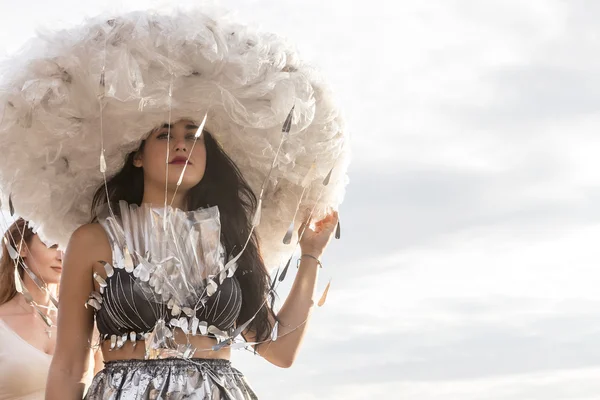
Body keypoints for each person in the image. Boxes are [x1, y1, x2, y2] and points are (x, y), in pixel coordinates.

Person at [0, 8, 349, 400]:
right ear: (136, 154)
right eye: (165, 135)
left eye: (193, 135)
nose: (182, 144)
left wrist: (310, 256)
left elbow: (279, 350)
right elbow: (68, 365)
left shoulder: (233, 235)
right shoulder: (93, 240)